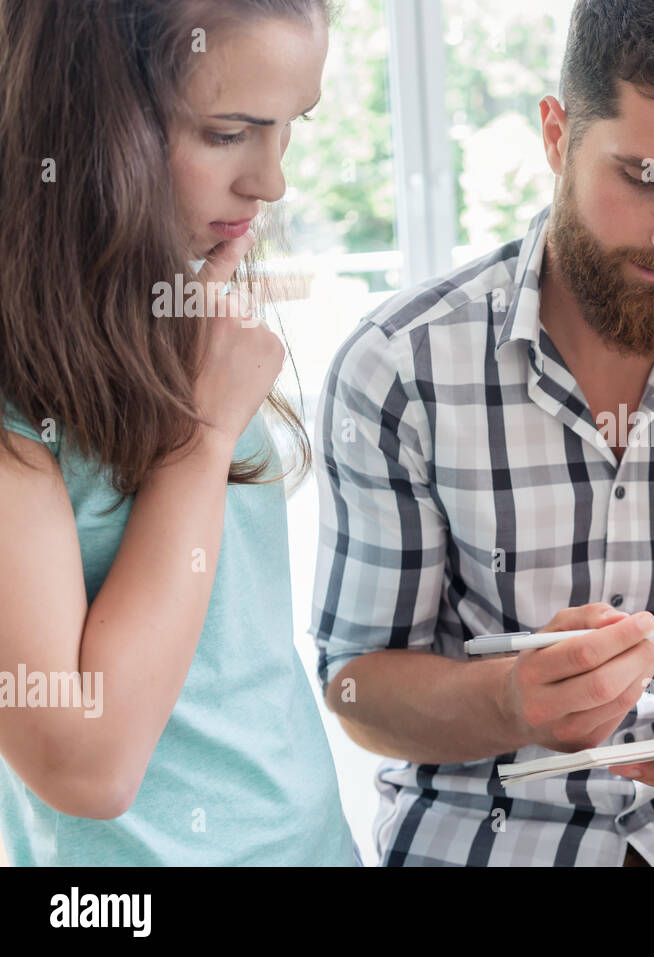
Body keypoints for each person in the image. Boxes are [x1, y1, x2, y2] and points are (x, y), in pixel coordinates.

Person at [311, 0, 654, 866]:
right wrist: (511, 701)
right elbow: (355, 682)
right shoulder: (399, 369)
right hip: (489, 837)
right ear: (558, 136)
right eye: (643, 177)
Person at [0, 0, 355, 865]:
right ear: (91, 119)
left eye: (288, 129)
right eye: (229, 132)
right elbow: (85, 766)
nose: (270, 183)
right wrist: (200, 437)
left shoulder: (190, 314)